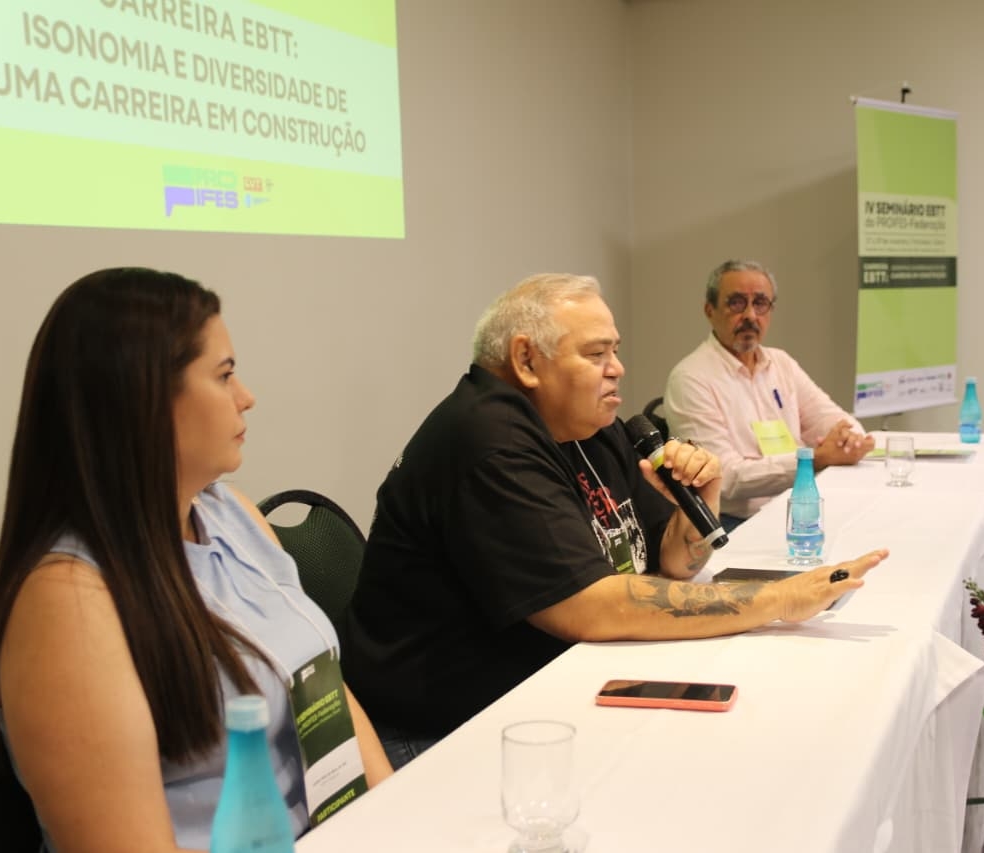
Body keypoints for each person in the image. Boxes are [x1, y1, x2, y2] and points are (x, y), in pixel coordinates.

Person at [341, 273, 886, 766]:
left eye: (616, 350)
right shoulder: (488, 440)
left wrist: (699, 508)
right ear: (526, 361)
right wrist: (776, 601)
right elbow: (589, 608)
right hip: (441, 733)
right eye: (597, 353)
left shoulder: (588, 427)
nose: (617, 368)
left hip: (550, 687)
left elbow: (670, 561)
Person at [0, 268, 391, 853]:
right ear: (144, 402)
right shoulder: (66, 603)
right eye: (224, 375)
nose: (246, 396)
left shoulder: (233, 515)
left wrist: (398, 817)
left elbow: (325, 688)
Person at [664, 260, 876, 528]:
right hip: (736, 522)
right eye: (737, 303)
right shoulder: (691, 378)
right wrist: (813, 460)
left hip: (798, 505)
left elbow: (834, 418)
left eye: (760, 303)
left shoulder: (781, 363)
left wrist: (848, 439)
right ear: (710, 310)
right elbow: (724, 477)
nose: (750, 315)